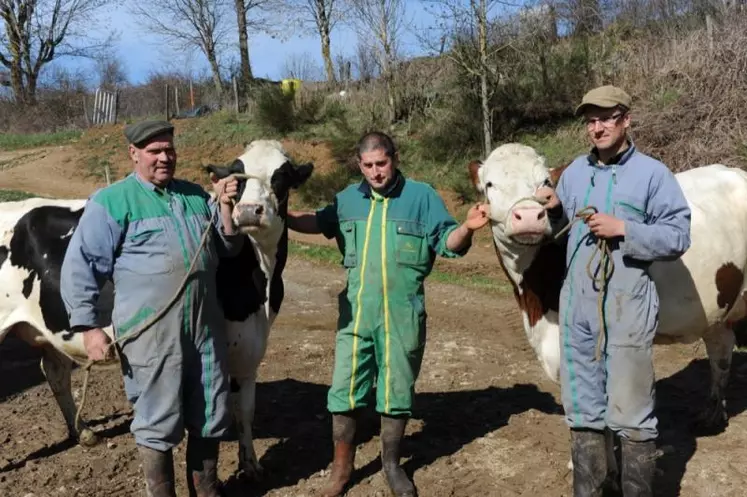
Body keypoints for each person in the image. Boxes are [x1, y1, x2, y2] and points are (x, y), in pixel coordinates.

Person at [287, 131, 489, 497]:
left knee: (397, 391)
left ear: (394, 158)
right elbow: (317, 222)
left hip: (402, 315)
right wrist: (279, 214)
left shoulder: (421, 197)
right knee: (344, 391)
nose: (376, 172)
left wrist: (467, 228)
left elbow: (447, 244)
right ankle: (341, 469)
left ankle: (392, 466)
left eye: (382, 163)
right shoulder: (347, 200)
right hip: (356, 317)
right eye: (368, 166)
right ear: (359, 165)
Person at [60, 120, 243, 497]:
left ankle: (206, 492)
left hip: (205, 333)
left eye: (169, 150)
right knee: (157, 422)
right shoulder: (111, 202)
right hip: (151, 335)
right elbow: (81, 266)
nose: (164, 158)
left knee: (210, 415)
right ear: (134, 154)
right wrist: (89, 327)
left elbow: (228, 249)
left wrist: (224, 207)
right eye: (154, 151)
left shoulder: (195, 196)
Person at [539, 86, 692, 497]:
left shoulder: (652, 174)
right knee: (583, 411)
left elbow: (678, 235)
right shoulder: (573, 174)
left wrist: (625, 229)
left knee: (632, 413)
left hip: (627, 308)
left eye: (606, 118)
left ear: (626, 119)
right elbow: (559, 234)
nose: (598, 127)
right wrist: (555, 209)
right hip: (578, 310)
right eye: (590, 120)